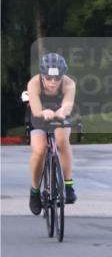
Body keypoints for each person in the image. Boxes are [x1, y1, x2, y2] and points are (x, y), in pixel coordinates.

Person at [26, 53, 77, 213]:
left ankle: (68, 185)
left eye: (57, 78)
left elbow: (68, 105)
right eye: (48, 78)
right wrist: (43, 112)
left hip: (60, 114)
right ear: (42, 75)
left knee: (62, 141)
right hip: (39, 115)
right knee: (40, 150)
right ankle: (35, 191)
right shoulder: (34, 83)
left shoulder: (69, 83)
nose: (53, 82)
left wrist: (63, 110)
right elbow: (35, 109)